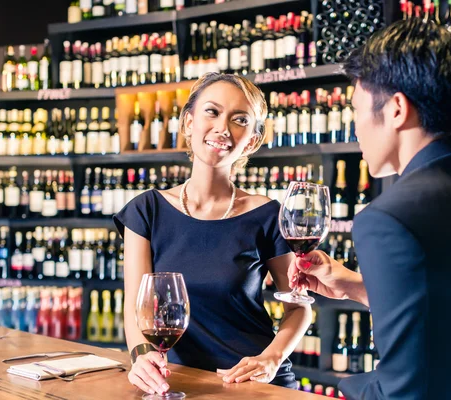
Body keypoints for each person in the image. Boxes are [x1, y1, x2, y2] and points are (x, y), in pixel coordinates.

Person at [288, 19, 451, 400]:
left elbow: (403, 391)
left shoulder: (387, 221)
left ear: (396, 109)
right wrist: (357, 287)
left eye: (356, 110)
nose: (354, 129)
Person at [114, 72, 311, 396]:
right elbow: (137, 308)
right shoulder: (146, 210)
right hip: (179, 381)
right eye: (212, 112)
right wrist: (141, 356)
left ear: (252, 139)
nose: (222, 127)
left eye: (239, 119)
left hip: (254, 385)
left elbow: (299, 306)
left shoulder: (269, 215)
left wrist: (271, 358)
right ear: (189, 122)